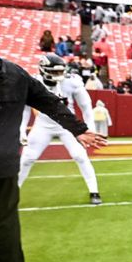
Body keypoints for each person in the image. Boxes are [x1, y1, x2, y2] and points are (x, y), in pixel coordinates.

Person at [0, 49, 105, 262]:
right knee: (3, 223)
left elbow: (68, 103)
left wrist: (81, 128)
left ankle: (94, 190)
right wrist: (80, 128)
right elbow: (46, 102)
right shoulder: (15, 74)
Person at [17, 54, 104, 205]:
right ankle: (12, 194)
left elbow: (86, 107)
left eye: (60, 71)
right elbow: (25, 108)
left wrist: (88, 129)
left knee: (80, 156)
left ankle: (94, 191)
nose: (59, 75)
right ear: (43, 70)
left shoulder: (71, 81)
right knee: (27, 159)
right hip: (43, 125)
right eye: (55, 72)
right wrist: (22, 129)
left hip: (68, 126)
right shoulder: (34, 82)